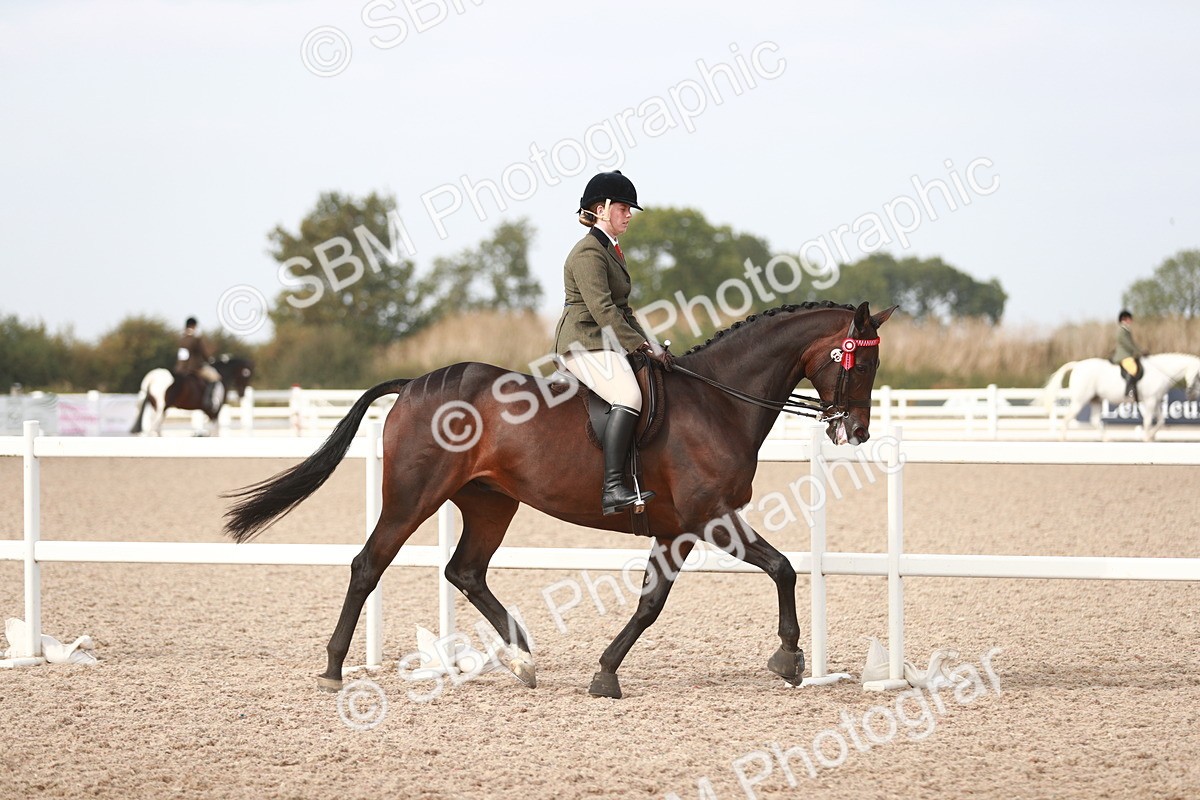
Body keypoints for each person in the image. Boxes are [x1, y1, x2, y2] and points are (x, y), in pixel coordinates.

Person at [552, 171, 672, 516]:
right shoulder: (588, 253)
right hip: (583, 342)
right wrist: (636, 346)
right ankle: (613, 487)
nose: (629, 214)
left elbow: (623, 310)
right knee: (629, 396)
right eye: (623, 207)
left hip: (602, 341)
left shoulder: (611, 250)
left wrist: (651, 347)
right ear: (602, 209)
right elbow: (603, 310)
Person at [175, 317, 222, 412]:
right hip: (194, 368)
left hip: (180, 368)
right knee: (215, 377)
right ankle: (208, 401)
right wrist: (210, 359)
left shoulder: (182, 338)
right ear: (194, 326)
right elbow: (204, 353)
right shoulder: (196, 338)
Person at [1112, 309, 1146, 401]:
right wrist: (1137, 351)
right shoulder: (1122, 330)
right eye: (1129, 319)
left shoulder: (1126, 330)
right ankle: (1129, 392)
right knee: (1133, 369)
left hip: (1128, 354)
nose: (1130, 321)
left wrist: (1141, 350)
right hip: (1123, 355)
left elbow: (1133, 343)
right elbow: (1128, 344)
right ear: (1124, 319)